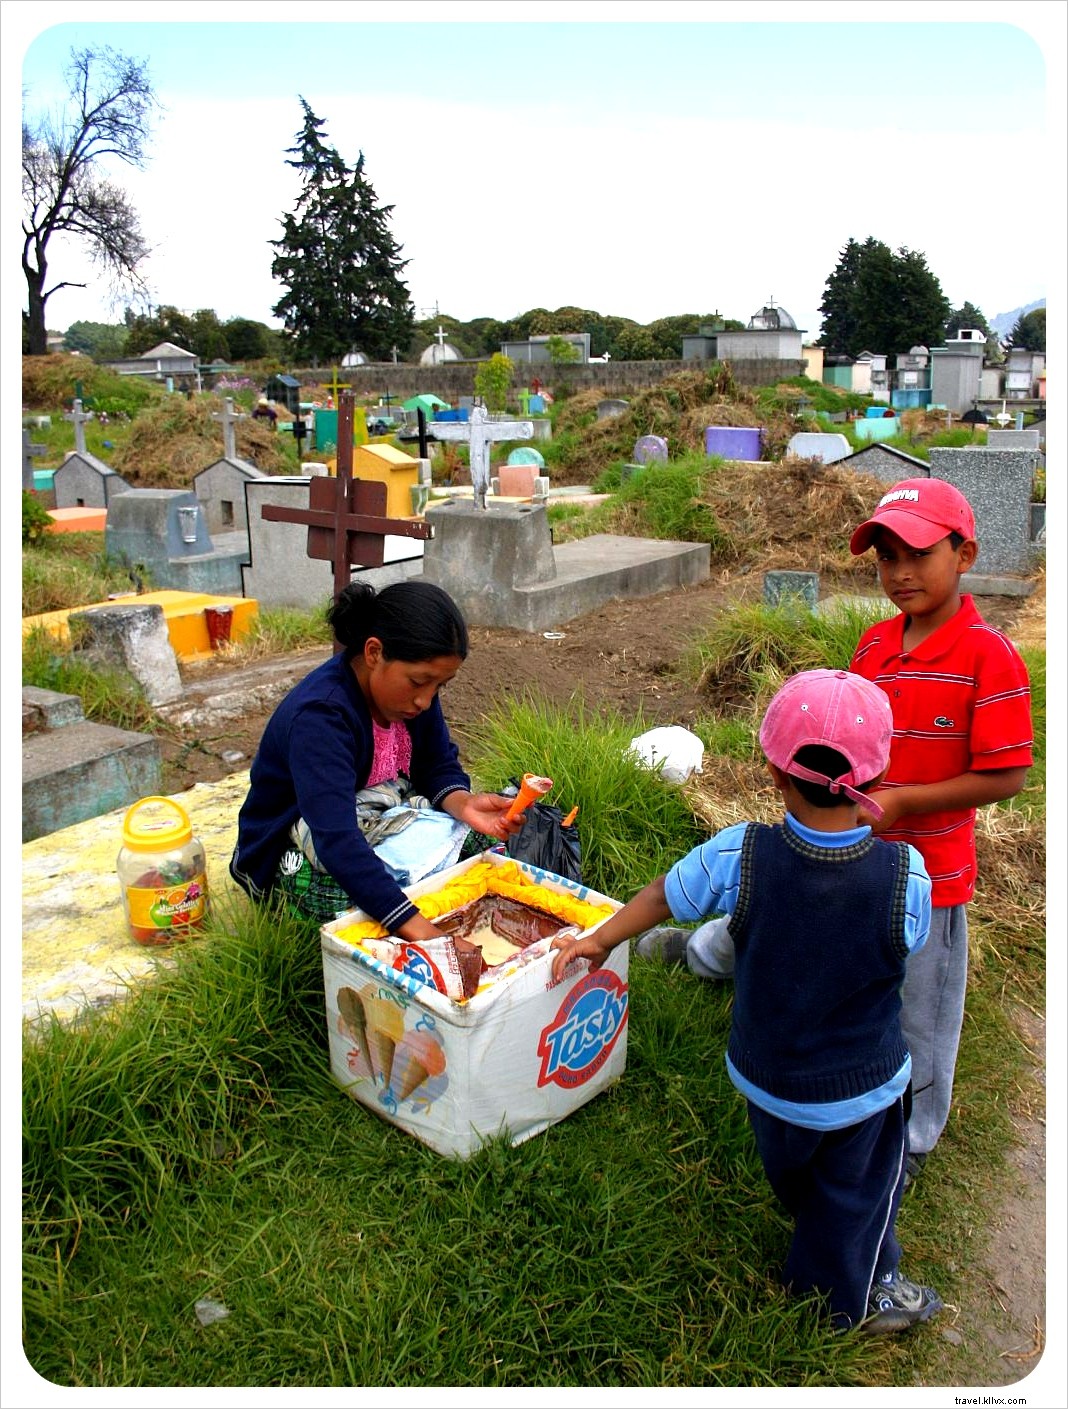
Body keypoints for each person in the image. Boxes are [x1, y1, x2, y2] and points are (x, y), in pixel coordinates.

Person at [551, 668, 940, 1335]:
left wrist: (597, 940)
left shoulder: (743, 854)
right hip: (863, 1087)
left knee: (795, 1170)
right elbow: (906, 944)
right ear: (876, 780)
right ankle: (846, 1301)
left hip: (766, 1076)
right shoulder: (906, 878)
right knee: (860, 1197)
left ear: (773, 772)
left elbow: (661, 896)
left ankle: (817, 1231)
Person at [846, 478, 1033, 1183]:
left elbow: (1005, 775)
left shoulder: (990, 657)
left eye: (918, 553)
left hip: (935, 874)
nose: (899, 573)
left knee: (923, 1007)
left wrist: (905, 800)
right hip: (863, 855)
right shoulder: (873, 645)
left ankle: (915, 1133)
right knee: (854, 970)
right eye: (885, 556)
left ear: (966, 554)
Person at [231, 581, 523, 932]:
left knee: (487, 849)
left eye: (439, 686)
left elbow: (436, 762)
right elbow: (337, 840)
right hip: (296, 841)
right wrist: (419, 930)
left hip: (377, 812)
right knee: (347, 906)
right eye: (419, 682)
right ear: (374, 653)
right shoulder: (321, 717)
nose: (426, 700)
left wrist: (464, 804)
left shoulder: (412, 698)